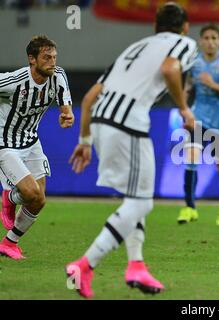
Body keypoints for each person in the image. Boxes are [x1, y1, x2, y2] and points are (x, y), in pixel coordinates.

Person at [66, 2, 197, 298]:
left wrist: (85, 141)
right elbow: (169, 67)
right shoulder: (184, 43)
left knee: (133, 198)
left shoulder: (134, 48)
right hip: (128, 125)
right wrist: (184, 109)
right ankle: (85, 265)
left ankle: (136, 265)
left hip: (100, 121)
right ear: (185, 27)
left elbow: (88, 98)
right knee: (142, 203)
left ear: (154, 26)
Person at [0, 35, 74, 259]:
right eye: (46, 57)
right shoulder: (14, 81)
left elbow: (65, 106)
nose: (52, 62)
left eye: (54, 57)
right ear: (31, 59)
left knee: (39, 199)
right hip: (5, 143)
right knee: (30, 192)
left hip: (31, 142)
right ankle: (10, 198)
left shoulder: (57, 75)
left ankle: (9, 243)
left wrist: (67, 115)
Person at [177, 23, 219, 226]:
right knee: (191, 158)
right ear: (201, 41)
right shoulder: (194, 64)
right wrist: (184, 110)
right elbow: (187, 88)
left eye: (214, 38)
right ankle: (189, 207)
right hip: (198, 119)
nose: (210, 42)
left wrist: (214, 85)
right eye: (206, 38)